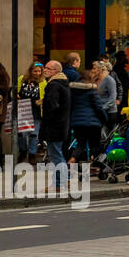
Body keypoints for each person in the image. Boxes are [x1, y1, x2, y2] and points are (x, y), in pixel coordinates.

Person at [38, 61, 71, 190]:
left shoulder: (53, 85)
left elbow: (52, 105)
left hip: (54, 127)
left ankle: (61, 182)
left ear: (56, 71)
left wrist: (46, 118)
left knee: (56, 156)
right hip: (62, 125)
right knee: (58, 154)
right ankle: (60, 182)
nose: (44, 70)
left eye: (48, 68)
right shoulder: (63, 84)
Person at [68, 68, 104, 168]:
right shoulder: (92, 89)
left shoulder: (73, 90)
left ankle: (73, 159)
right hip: (93, 123)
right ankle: (94, 165)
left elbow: (70, 106)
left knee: (80, 144)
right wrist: (104, 119)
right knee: (94, 145)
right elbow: (98, 107)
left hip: (77, 122)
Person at [12, 63, 43, 163]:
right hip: (22, 109)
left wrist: (42, 100)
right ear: (30, 71)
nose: (37, 73)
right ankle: (23, 151)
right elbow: (14, 90)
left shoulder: (43, 82)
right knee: (21, 133)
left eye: (39, 71)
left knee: (34, 134)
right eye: (35, 71)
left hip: (36, 111)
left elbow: (46, 95)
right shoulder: (22, 79)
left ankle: (32, 154)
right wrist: (15, 95)